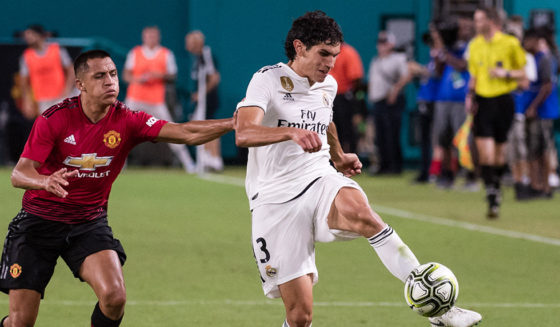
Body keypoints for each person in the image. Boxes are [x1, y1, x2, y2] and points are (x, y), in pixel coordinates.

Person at [235, 11, 482, 327]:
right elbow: (244, 133)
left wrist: (337, 155)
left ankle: (440, 311)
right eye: (323, 54)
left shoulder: (328, 86)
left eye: (335, 55)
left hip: (317, 178)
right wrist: (290, 133)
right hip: (274, 198)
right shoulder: (267, 80)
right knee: (300, 316)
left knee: (365, 215)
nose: (330, 63)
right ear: (299, 47)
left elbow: (325, 119)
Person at [0, 50, 233, 327]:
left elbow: (186, 132)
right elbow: (20, 173)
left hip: (87, 223)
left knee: (114, 298)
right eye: (99, 76)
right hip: (39, 223)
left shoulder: (127, 120)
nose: (110, 81)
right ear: (81, 84)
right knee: (21, 322)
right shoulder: (54, 118)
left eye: (112, 74)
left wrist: (233, 123)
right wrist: (44, 181)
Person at [466, 6, 526, 218]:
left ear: (491, 21)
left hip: (503, 101)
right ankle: (492, 196)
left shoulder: (510, 43)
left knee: (500, 155)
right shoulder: (474, 45)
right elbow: (473, 75)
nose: (476, 24)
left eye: (479, 20)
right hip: (483, 102)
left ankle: (496, 185)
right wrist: (469, 96)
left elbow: (524, 75)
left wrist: (506, 72)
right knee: (486, 153)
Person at [123, 26, 196, 173]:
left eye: (154, 36)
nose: (151, 38)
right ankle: (117, 166)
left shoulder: (166, 54)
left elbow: (173, 75)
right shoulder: (135, 53)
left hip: (156, 100)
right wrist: (136, 79)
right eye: (148, 36)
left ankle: (189, 165)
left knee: (171, 130)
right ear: (144, 37)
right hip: (135, 98)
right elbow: (126, 75)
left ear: (158, 37)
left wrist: (160, 75)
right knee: (121, 131)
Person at [368, 31, 409, 174]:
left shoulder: (398, 58)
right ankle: (383, 165)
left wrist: (395, 90)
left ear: (391, 44)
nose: (381, 46)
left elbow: (406, 76)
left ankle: (395, 166)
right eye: (380, 42)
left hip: (391, 101)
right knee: (380, 135)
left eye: (384, 42)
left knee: (392, 133)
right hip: (378, 101)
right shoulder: (376, 61)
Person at [186, 30, 224, 172]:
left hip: (208, 100)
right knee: (201, 126)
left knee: (209, 127)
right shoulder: (197, 58)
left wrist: (201, 94)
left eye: (189, 42)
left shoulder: (206, 55)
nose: (187, 46)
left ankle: (215, 159)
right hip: (201, 101)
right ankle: (208, 157)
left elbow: (215, 77)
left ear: (197, 42)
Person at [19, 24, 75, 118]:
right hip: (42, 100)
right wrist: (27, 100)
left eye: (30, 34)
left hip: (61, 97)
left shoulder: (57, 49)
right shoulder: (26, 56)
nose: (27, 38)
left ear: (38, 35)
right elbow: (23, 81)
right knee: (48, 129)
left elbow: (71, 70)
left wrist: (67, 90)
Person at [329, 42, 364, 153]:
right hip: (328, 97)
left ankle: (350, 159)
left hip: (344, 97)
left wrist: (356, 104)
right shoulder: (324, 52)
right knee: (331, 131)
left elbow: (356, 79)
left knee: (347, 131)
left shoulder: (347, 52)